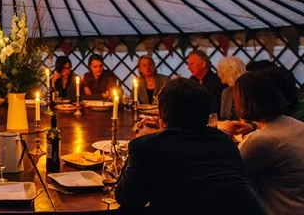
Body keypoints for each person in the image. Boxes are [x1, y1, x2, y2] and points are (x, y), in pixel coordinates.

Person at [115, 78, 266, 215]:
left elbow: (126, 198)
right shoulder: (224, 141)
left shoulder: (146, 148)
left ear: (161, 113)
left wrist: (144, 140)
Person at [233, 72, 304, 215]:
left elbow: (229, 172)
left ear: (243, 102)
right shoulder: (297, 125)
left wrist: (223, 135)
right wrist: (254, 126)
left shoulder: (261, 141)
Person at [187, 49, 226, 114]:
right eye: (188, 64)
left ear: (203, 64)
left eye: (192, 64)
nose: (188, 67)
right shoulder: (190, 82)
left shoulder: (216, 82)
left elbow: (215, 107)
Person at [216, 56, 245, 121]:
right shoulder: (226, 92)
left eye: (220, 70)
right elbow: (223, 117)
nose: (218, 74)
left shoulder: (248, 90)